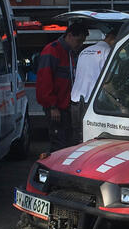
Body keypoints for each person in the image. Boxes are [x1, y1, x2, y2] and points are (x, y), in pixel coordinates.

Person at [36, 21, 89, 151]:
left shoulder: (71, 53)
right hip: (57, 108)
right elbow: (45, 81)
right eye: (78, 41)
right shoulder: (52, 51)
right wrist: (52, 106)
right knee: (59, 144)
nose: (80, 45)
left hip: (67, 107)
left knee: (67, 143)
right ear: (69, 35)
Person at [69, 24, 120, 142]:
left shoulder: (84, 51)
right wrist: (119, 103)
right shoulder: (108, 53)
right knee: (93, 140)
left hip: (75, 103)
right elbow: (108, 83)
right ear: (113, 38)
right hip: (92, 105)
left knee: (78, 139)